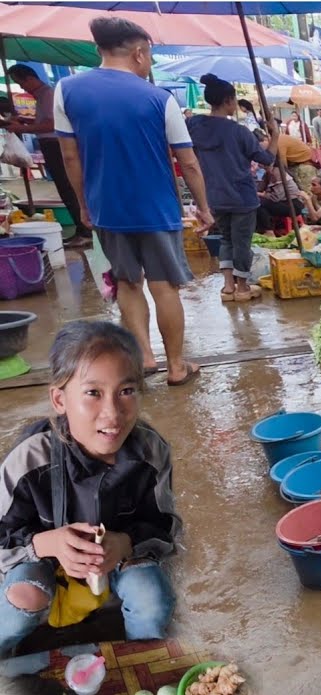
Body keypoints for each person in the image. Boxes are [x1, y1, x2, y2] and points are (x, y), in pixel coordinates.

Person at [0, 321, 181, 655]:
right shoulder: (28, 461)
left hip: (117, 562)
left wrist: (124, 543)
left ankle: (141, 663)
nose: (112, 413)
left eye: (126, 391)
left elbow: (166, 528)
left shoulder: (151, 453)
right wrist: (46, 544)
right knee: (21, 600)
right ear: (59, 399)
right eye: (92, 393)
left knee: (151, 600)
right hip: (41, 564)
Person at [54, 15, 211, 387]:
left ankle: (144, 357)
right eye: (151, 56)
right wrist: (203, 207)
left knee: (127, 284)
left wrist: (83, 203)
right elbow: (187, 160)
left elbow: (70, 158)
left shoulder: (67, 90)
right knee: (164, 286)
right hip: (156, 209)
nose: (150, 63)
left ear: (99, 50)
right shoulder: (160, 99)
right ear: (139, 53)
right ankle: (176, 366)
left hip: (107, 208)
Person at [186, 73, 280, 303]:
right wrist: (275, 134)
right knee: (242, 242)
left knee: (226, 239)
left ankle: (228, 287)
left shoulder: (195, 125)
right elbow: (267, 158)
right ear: (228, 101)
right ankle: (243, 287)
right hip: (241, 195)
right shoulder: (239, 132)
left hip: (214, 195)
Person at [1, 65, 92, 244]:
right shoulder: (42, 96)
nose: (21, 88)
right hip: (49, 145)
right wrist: (24, 121)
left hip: (54, 145)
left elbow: (51, 125)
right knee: (64, 187)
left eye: (20, 83)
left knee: (68, 188)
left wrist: (22, 128)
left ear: (29, 79)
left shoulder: (48, 95)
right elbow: (44, 121)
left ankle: (85, 232)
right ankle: (82, 229)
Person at [256, 165, 305, 233]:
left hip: (292, 205)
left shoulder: (277, 172)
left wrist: (261, 194)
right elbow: (260, 188)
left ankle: (268, 231)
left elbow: (276, 198)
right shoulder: (268, 173)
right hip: (282, 202)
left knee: (259, 204)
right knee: (258, 204)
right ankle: (267, 230)